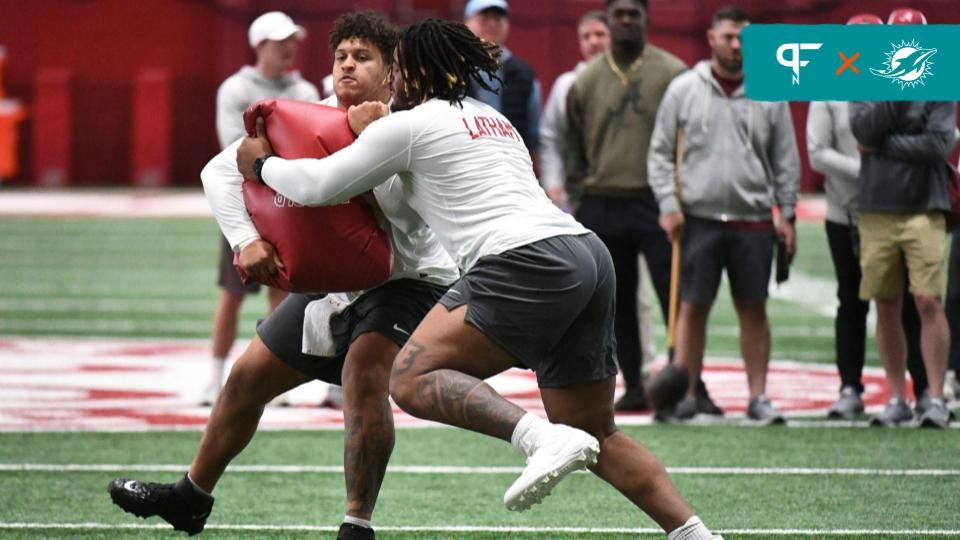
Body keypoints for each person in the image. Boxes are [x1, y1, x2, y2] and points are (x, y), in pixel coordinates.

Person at [240, 17, 723, 540]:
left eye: (398, 67)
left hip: (524, 259)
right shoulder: (494, 119)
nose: (393, 79)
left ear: (416, 71)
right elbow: (409, 203)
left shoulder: (410, 125)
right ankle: (695, 534)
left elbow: (319, 186)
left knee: (410, 377)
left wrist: (262, 165)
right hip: (586, 254)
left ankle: (537, 438)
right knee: (595, 430)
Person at [107, 12, 460, 540]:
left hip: (411, 278)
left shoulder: (412, 124)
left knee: (363, 371)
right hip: (341, 283)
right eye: (340, 56)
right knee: (247, 378)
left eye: (363, 57)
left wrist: (365, 143)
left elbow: (407, 219)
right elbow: (218, 172)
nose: (347, 65)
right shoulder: (303, 118)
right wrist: (245, 239)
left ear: (391, 73)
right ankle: (191, 495)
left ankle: (355, 524)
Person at [647, 5, 799, 424]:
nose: (737, 45)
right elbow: (660, 153)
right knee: (691, 309)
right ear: (712, 38)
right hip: (698, 220)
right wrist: (668, 205)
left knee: (753, 307)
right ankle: (688, 393)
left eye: (744, 38)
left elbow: (785, 159)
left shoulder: (770, 90)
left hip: (752, 220)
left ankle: (758, 396)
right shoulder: (683, 89)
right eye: (730, 36)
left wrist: (787, 212)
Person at [566, 0, 719, 413]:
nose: (628, 20)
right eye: (620, 14)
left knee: (678, 297)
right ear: (609, 20)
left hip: (656, 201)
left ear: (647, 19)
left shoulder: (672, 73)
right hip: (602, 202)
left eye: (635, 13)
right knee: (617, 303)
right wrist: (579, 196)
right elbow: (573, 147)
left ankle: (689, 386)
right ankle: (634, 384)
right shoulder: (586, 81)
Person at [806, 12, 929, 420]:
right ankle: (850, 386)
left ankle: (924, 387)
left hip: (899, 207)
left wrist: (889, 164)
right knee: (852, 301)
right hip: (848, 212)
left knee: (911, 302)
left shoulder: (906, 82)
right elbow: (818, 152)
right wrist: (870, 172)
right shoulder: (830, 87)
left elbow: (944, 135)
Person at [205, 11, 320, 406]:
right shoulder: (235, 88)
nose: (288, 47)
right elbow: (233, 148)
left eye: (291, 39)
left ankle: (274, 376)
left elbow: (310, 145)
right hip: (240, 204)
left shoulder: (305, 90)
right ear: (259, 45)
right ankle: (214, 376)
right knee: (231, 294)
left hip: (286, 206)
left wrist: (269, 154)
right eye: (279, 40)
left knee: (282, 294)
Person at [849, 11, 955, 428]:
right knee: (886, 304)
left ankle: (934, 394)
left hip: (924, 206)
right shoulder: (862, 76)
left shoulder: (940, 78)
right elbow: (862, 132)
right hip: (877, 208)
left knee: (929, 300)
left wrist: (885, 144)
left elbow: (939, 143)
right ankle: (896, 396)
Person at [463, 0, 542, 154]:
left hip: (512, 163)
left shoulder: (524, 73)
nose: (492, 24)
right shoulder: (452, 69)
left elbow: (534, 133)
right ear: (466, 23)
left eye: (498, 19)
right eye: (484, 18)